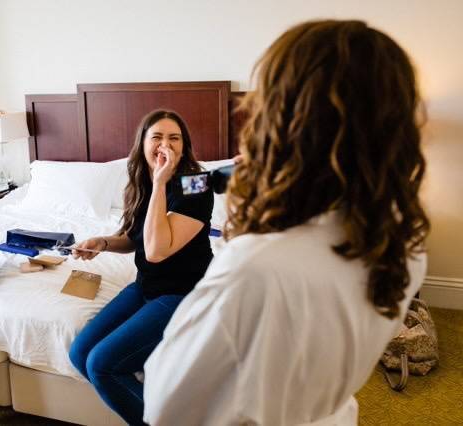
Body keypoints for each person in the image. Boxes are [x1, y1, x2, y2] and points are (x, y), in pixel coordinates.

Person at [143, 19, 430, 426]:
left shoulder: (255, 267)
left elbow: (163, 405)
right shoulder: (405, 239)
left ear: (281, 118)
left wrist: (245, 236)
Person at [68, 110, 214, 425]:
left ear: (184, 145)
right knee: (80, 355)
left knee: (102, 364)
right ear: (143, 144)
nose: (166, 145)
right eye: (157, 137)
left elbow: (157, 250)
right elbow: (137, 239)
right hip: (147, 286)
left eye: (174, 138)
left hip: (184, 293)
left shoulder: (196, 183)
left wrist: (162, 184)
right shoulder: (140, 180)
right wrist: (104, 242)